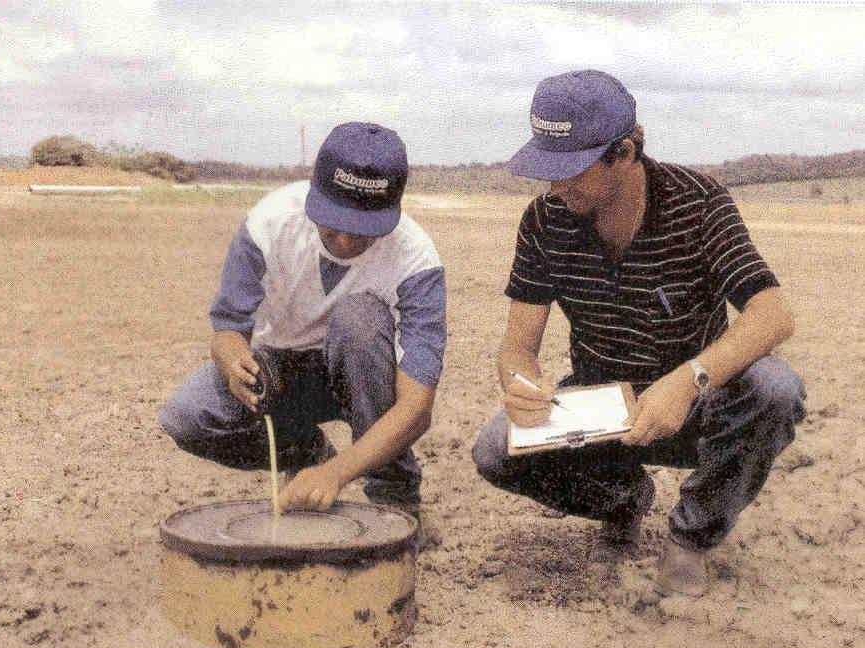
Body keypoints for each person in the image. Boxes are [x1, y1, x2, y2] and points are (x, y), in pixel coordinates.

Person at [471, 70, 806, 596]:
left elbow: (772, 315)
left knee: (775, 389)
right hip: (601, 410)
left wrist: (686, 380)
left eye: (571, 171)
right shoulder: (542, 221)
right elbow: (518, 348)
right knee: (494, 449)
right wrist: (522, 384)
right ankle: (623, 499)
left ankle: (692, 538)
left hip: (697, 406)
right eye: (547, 170)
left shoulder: (700, 202)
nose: (555, 187)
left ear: (625, 152)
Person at [158, 122, 446, 517]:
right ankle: (304, 451)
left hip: (368, 377)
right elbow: (228, 329)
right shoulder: (270, 222)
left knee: (359, 320)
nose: (344, 242)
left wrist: (337, 473)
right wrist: (233, 361)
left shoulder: (416, 260)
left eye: (362, 231)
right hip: (283, 370)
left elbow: (415, 410)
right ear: (314, 193)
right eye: (334, 223)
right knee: (187, 415)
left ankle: (395, 499)